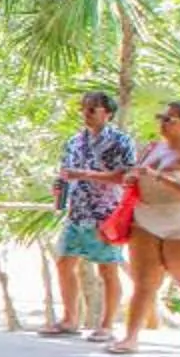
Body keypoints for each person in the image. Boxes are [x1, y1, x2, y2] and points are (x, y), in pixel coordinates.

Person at [40, 90, 136, 339]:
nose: (86, 113)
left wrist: (83, 175)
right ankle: (70, 319)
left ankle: (106, 325)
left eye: (92, 109)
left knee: (108, 268)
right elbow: (65, 174)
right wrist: (60, 191)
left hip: (105, 213)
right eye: (83, 108)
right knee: (64, 262)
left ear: (108, 113)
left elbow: (125, 176)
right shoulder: (74, 142)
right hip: (77, 212)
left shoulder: (121, 142)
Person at [111, 99, 180, 356]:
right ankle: (130, 337)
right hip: (146, 219)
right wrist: (133, 177)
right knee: (144, 282)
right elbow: (135, 175)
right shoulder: (152, 148)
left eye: (169, 119)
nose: (162, 123)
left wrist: (158, 176)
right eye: (161, 117)